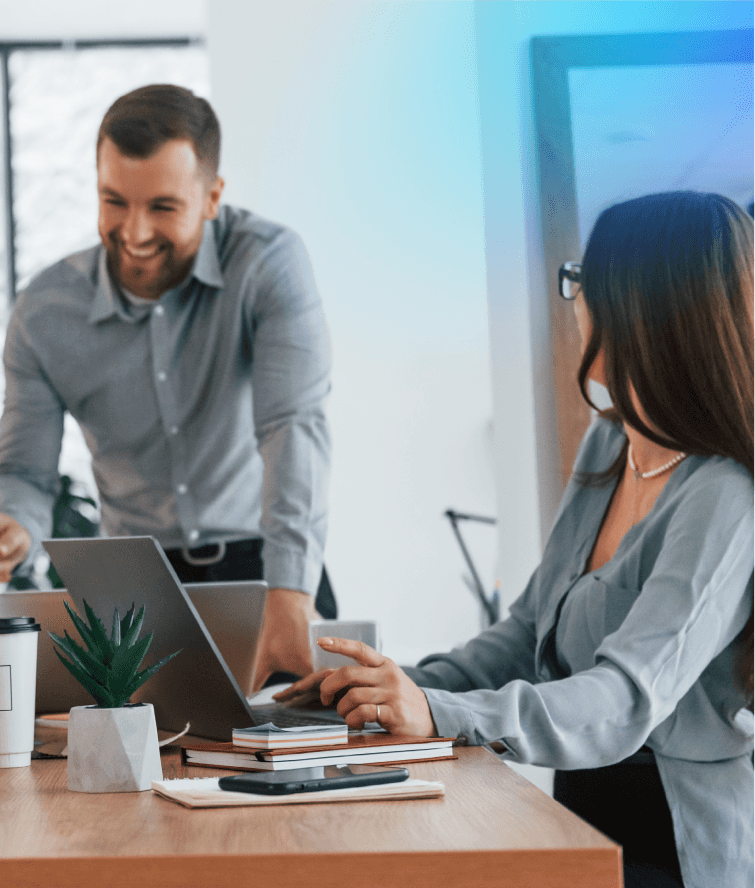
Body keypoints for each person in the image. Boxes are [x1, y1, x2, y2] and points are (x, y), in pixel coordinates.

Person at [277, 191, 753, 888]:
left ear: (644, 308)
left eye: (585, 279)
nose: (576, 298)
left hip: (679, 843)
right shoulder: (608, 445)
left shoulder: (724, 494)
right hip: (582, 813)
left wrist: (436, 712)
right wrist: (389, 690)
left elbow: (624, 699)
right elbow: (529, 629)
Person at [0, 84, 334, 692]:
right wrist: (13, 526)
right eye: (113, 201)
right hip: (131, 589)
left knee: (303, 769)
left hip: (269, 572)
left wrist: (289, 594)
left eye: (162, 207)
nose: (134, 232)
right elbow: (24, 470)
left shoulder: (267, 262)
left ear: (212, 198)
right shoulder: (46, 312)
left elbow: (293, 425)